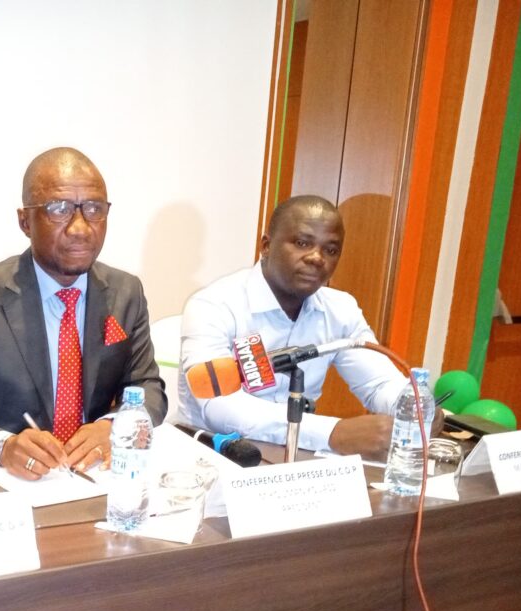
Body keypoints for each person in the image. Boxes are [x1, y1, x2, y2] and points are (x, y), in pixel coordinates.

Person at [0, 147, 166, 478]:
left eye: (94, 209)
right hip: (9, 479)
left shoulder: (126, 292)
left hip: (94, 475)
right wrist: (2, 446)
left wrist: (114, 426)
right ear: (25, 221)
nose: (80, 228)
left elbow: (148, 386)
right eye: (59, 209)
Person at [179, 194, 423, 461]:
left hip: (300, 457)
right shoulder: (214, 305)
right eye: (302, 243)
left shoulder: (340, 310)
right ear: (266, 246)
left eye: (331, 250)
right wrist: (331, 433)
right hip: (215, 456)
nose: (317, 258)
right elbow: (218, 405)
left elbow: (379, 384)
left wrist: (415, 408)